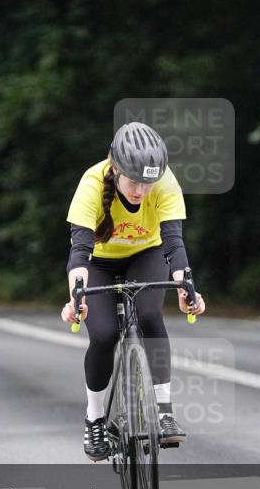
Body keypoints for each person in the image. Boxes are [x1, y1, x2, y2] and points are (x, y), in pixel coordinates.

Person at [60, 122, 206, 461]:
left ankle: (165, 412)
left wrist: (186, 287)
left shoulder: (165, 182)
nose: (141, 190)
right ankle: (95, 418)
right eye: (133, 181)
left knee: (151, 315)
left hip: (146, 254)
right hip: (99, 262)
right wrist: (76, 299)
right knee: (104, 335)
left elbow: (173, 243)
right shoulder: (91, 184)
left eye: (148, 183)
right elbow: (79, 253)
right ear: (115, 169)